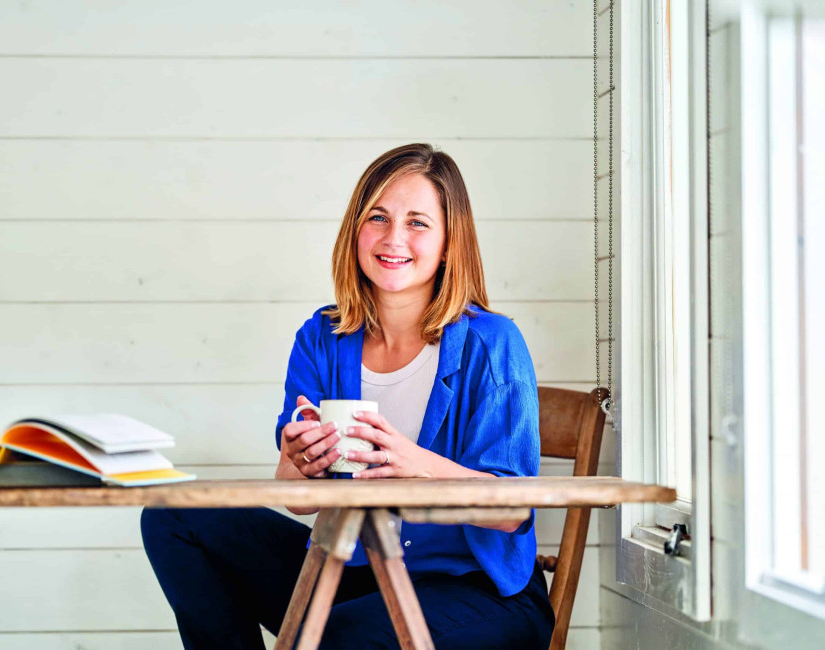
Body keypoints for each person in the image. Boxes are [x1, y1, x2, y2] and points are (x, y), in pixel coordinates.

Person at [141, 143, 555, 649]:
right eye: (377, 217)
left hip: (477, 589)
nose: (393, 237)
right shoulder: (321, 337)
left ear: (450, 242)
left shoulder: (493, 343)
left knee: (338, 638)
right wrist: (298, 463)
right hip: (354, 570)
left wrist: (415, 464)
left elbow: (512, 510)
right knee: (174, 515)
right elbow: (299, 502)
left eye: (418, 223)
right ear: (355, 229)